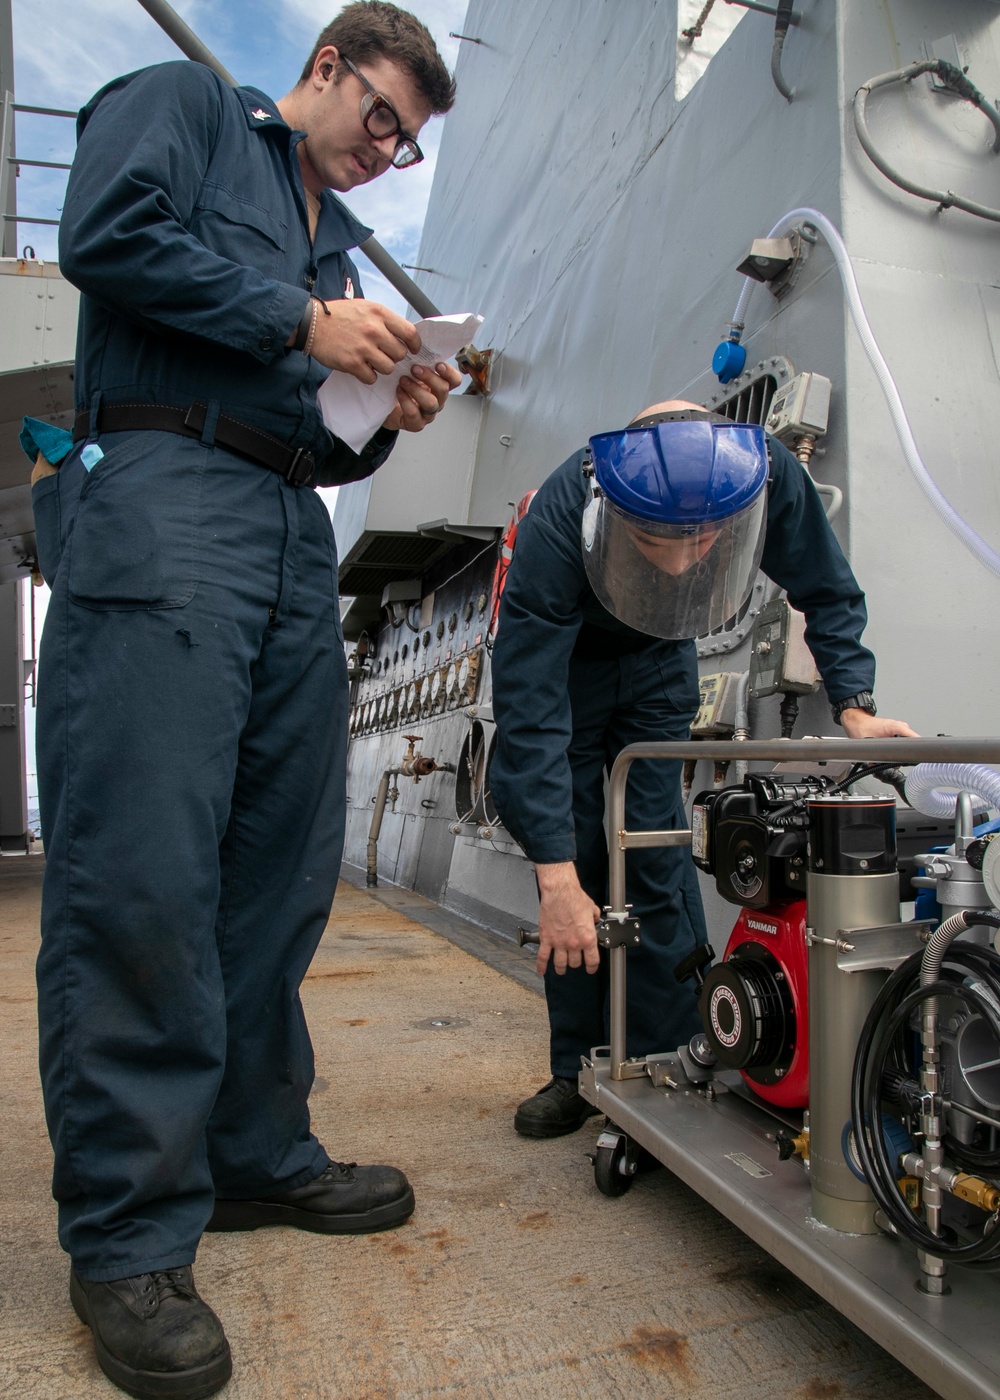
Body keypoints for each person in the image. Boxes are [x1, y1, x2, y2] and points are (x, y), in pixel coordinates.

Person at [32, 5, 459, 1397]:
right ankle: (128, 1239)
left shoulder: (332, 241)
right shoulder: (185, 108)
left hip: (285, 537)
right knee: (143, 874)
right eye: (382, 116)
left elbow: (304, 439)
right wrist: (297, 317)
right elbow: (106, 237)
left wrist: (379, 396)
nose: (388, 152)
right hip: (163, 507)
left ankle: (254, 1156)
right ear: (326, 67)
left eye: (409, 143)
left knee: (276, 877)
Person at [489, 402, 916, 1139]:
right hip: (571, 669)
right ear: (613, 510)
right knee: (579, 866)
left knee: (654, 846)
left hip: (661, 655)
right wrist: (553, 877)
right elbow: (528, 711)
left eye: (704, 542)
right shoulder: (562, 516)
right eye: (659, 540)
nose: (687, 559)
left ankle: (664, 1057)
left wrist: (853, 702)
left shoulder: (764, 472)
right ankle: (574, 1069)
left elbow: (826, 585)